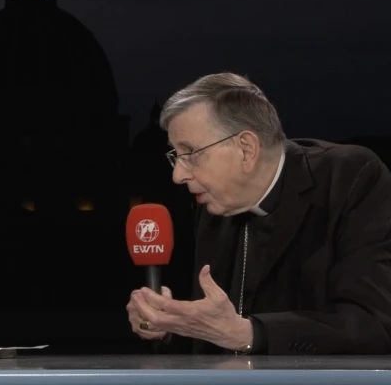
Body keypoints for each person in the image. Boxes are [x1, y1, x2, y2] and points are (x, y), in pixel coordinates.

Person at [126, 72, 391, 354]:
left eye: (190, 153)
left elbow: (375, 325)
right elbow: (216, 336)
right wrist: (171, 324)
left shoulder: (350, 178)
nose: (178, 175)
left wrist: (249, 334)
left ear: (246, 149)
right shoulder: (215, 203)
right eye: (175, 156)